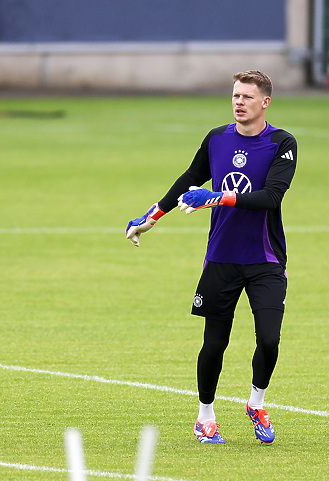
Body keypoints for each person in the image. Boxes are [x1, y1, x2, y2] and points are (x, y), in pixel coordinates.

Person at [125, 70, 297, 444]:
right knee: (215, 342)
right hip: (221, 257)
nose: (239, 102)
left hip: (266, 259)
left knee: (269, 339)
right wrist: (151, 217)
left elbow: (271, 197)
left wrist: (218, 197)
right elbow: (191, 177)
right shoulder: (217, 139)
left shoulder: (282, 143)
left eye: (247, 97)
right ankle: (205, 417)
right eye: (235, 95)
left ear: (265, 102)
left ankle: (256, 403)